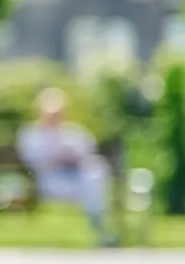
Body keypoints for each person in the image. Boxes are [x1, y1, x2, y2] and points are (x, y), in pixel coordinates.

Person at [17, 86, 115, 244]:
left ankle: (98, 222)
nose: (54, 118)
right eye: (51, 114)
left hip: (78, 178)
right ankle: (98, 225)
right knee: (92, 188)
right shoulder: (32, 135)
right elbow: (32, 160)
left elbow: (88, 154)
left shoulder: (74, 133)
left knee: (95, 172)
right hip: (51, 181)